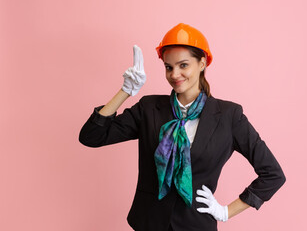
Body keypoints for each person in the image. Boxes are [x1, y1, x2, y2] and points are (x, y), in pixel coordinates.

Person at [79, 23, 286, 231]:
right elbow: (92, 136)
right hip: (148, 223)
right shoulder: (149, 108)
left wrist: (225, 211)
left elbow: (273, 174)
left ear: (202, 63)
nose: (175, 74)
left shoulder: (229, 116)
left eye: (183, 65)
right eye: (169, 67)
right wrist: (125, 91)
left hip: (196, 225)